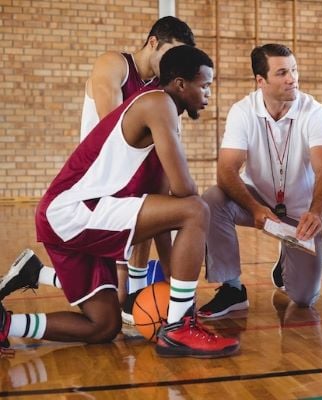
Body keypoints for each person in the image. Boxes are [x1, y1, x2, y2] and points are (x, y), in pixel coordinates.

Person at [0, 46, 239, 358]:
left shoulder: (162, 114)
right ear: (181, 84)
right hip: (73, 211)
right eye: (205, 85)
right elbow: (185, 191)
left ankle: (7, 325)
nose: (209, 94)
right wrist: (181, 307)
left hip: (68, 216)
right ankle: (180, 328)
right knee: (198, 208)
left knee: (103, 326)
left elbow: (168, 212)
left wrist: (177, 285)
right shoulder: (158, 104)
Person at [0, 17, 196, 316]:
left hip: (134, 179)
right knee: (115, 295)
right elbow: (113, 125)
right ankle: (126, 296)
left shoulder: (164, 89)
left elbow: (162, 152)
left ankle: (129, 294)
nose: (175, 63)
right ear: (153, 42)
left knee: (122, 292)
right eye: (171, 54)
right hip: (100, 180)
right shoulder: (114, 63)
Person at [197, 43, 322, 318]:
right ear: (261, 81)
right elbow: (226, 169)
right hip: (258, 201)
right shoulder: (243, 111)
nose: (292, 78)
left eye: (294, 70)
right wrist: (254, 208)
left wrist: (317, 212)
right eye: (282, 72)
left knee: (303, 299)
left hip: (301, 214)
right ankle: (232, 288)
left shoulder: (316, 113)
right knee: (212, 198)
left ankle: (287, 256)